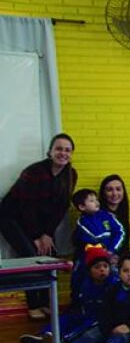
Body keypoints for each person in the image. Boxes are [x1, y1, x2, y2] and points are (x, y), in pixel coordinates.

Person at [0, 133, 77, 319]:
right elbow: (27, 208)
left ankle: (44, 303)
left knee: (48, 254)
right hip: (10, 217)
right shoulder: (34, 171)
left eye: (67, 150)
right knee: (29, 255)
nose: (63, 153)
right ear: (49, 152)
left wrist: (48, 235)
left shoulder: (70, 174)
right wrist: (36, 236)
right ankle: (33, 306)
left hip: (38, 221)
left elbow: (61, 208)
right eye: (58, 149)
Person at [20, 246, 118, 343]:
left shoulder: (113, 284)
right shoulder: (86, 284)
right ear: (90, 271)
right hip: (83, 312)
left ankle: (63, 342)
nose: (102, 270)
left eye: (105, 266)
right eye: (97, 267)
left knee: (84, 327)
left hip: (98, 317)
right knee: (65, 320)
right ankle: (45, 336)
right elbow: (80, 301)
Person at [70, 188, 125, 296]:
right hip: (89, 257)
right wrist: (103, 250)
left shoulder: (107, 216)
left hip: (110, 254)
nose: (96, 202)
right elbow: (93, 239)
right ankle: (79, 303)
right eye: (91, 201)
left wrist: (111, 250)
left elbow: (119, 232)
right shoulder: (82, 222)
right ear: (82, 207)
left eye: (96, 200)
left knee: (115, 277)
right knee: (79, 277)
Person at [99, 174, 130, 252]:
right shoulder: (97, 214)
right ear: (103, 193)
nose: (114, 193)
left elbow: (125, 242)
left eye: (118, 189)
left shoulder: (123, 213)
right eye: (109, 190)